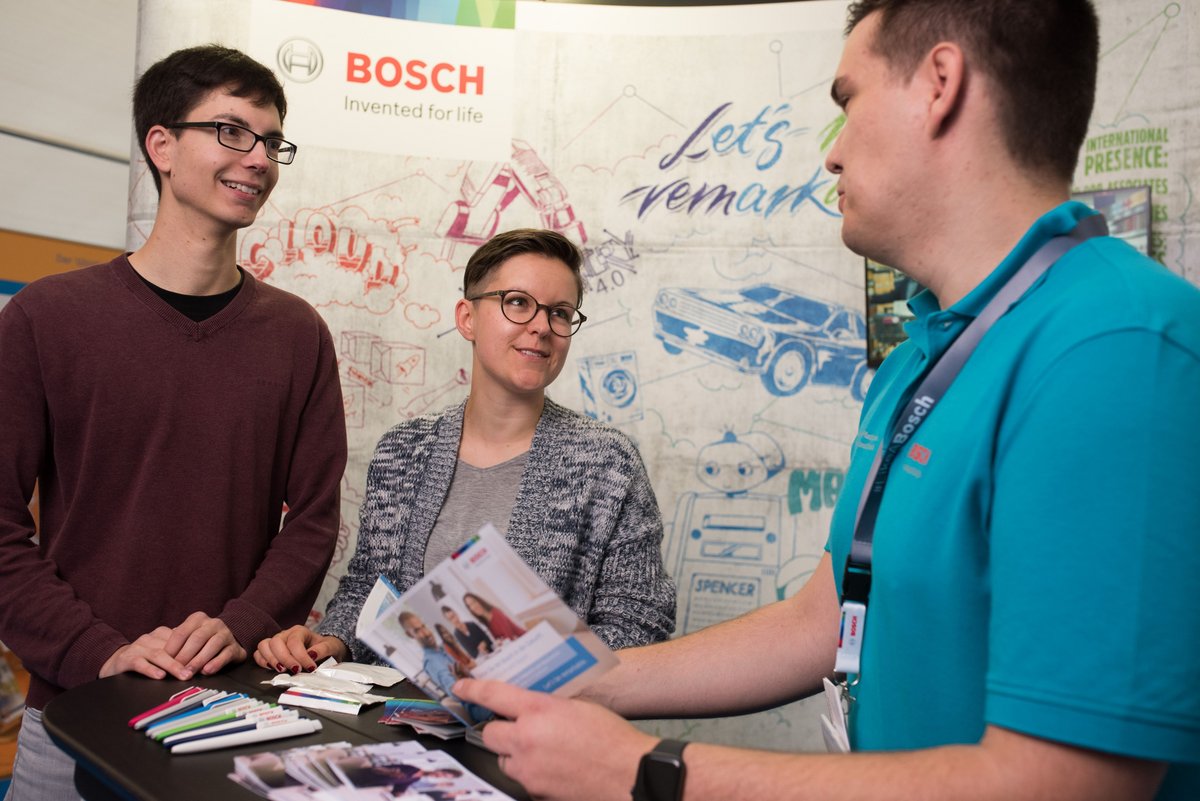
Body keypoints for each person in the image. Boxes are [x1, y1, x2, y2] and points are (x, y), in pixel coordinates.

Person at [452, 2, 1200, 800]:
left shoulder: (1116, 345)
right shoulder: (926, 351)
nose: (833, 153)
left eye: (847, 102)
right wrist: (590, 679)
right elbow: (827, 616)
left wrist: (646, 769)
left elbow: (1064, 782)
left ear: (940, 85)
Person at [0, 45, 347, 800]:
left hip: (234, 722)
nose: (258, 158)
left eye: (271, 140)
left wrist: (242, 621)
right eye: (231, 131)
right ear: (161, 145)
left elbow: (313, 519)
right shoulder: (45, 318)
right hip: (72, 718)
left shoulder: (297, 335)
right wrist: (100, 651)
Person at [254, 228, 676, 674]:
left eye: (560, 312)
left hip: (535, 731)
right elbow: (369, 592)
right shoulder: (403, 450)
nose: (540, 326)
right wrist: (331, 643)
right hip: (398, 726)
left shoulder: (608, 463)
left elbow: (638, 624)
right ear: (467, 317)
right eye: (517, 302)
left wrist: (526, 668)